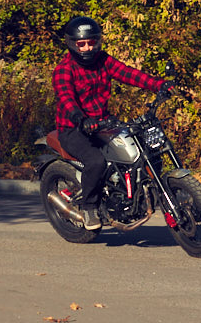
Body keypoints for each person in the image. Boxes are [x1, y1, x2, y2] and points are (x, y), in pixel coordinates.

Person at [52, 15, 170, 230]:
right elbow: (66, 98)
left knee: (141, 150)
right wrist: (81, 118)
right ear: (72, 44)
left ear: (98, 42)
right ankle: (89, 208)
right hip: (73, 128)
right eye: (82, 44)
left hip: (103, 124)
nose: (87, 48)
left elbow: (129, 74)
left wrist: (159, 85)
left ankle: (133, 195)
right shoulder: (64, 70)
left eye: (92, 42)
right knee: (95, 161)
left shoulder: (104, 61)